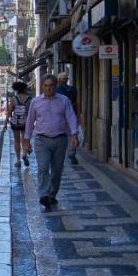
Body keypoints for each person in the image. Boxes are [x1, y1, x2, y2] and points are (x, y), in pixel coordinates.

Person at [24, 73, 80, 210]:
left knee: (57, 170)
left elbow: (71, 117)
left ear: (56, 86)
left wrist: (74, 134)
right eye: (46, 86)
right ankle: (44, 195)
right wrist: (26, 140)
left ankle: (52, 194)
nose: (48, 89)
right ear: (42, 87)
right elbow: (30, 121)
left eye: (51, 86)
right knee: (43, 168)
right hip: (41, 140)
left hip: (60, 139)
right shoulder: (35, 102)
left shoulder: (64, 100)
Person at [4, 81, 31, 167]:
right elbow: (32, 112)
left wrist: (5, 123)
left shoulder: (13, 99)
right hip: (25, 122)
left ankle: (18, 160)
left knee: (16, 141)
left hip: (15, 122)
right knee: (25, 140)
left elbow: (9, 112)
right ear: (24, 89)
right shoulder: (29, 99)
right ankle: (25, 155)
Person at [56, 71, 80, 165]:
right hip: (72, 114)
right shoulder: (73, 89)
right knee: (73, 134)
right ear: (66, 80)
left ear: (59, 80)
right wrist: (78, 115)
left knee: (60, 135)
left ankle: (60, 153)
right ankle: (72, 152)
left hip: (61, 115)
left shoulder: (57, 90)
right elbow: (77, 102)